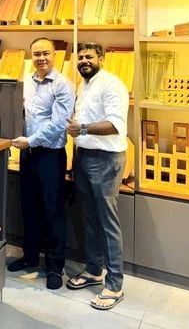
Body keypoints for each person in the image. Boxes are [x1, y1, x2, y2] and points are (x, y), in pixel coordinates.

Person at [66, 42, 129, 311]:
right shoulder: (84, 85)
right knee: (90, 218)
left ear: (101, 58)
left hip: (106, 160)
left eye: (89, 56)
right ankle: (94, 270)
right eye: (80, 57)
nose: (84, 61)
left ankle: (115, 285)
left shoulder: (111, 85)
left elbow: (115, 125)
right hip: (84, 156)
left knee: (107, 222)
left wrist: (82, 129)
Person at [9, 37, 75, 290]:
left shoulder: (63, 85)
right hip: (28, 154)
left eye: (45, 53)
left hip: (50, 156)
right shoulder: (26, 82)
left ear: (54, 55)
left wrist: (30, 140)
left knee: (53, 211)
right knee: (29, 207)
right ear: (31, 56)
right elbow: (21, 115)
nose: (41, 58)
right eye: (36, 54)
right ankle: (30, 257)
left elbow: (59, 123)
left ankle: (55, 267)